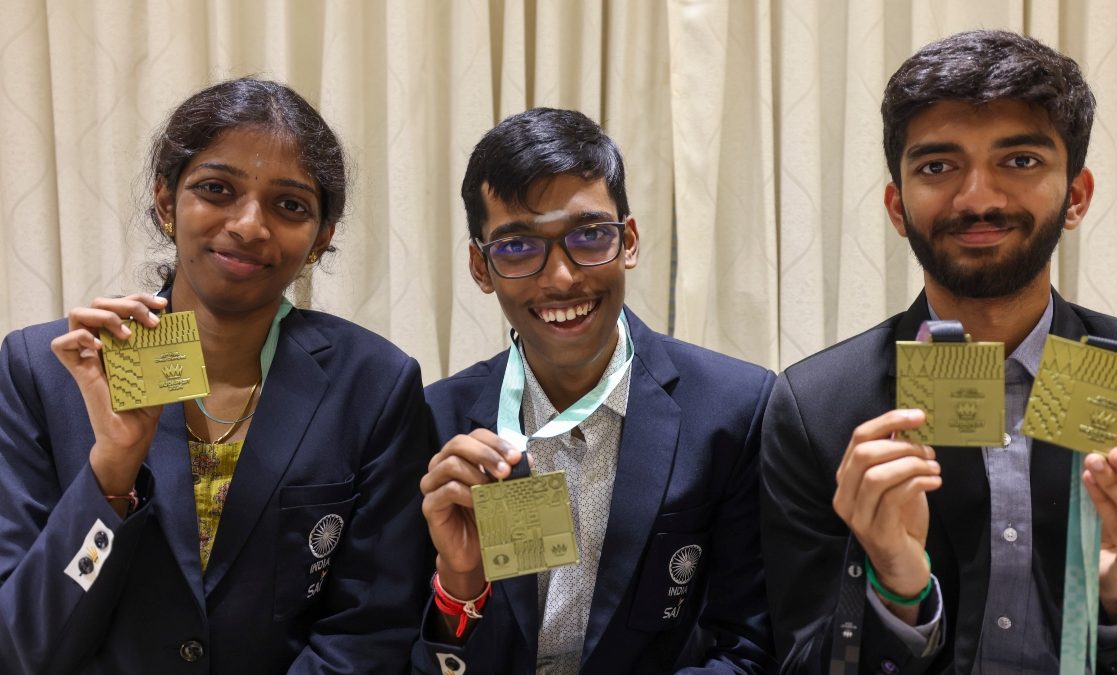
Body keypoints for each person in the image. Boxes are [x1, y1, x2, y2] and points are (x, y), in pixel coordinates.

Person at [761, 30, 1117, 674]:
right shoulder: (816, 408)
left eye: (1019, 160)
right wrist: (897, 590)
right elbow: (797, 658)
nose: (979, 199)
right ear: (897, 206)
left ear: (1076, 196)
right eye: (937, 167)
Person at [0, 78, 431, 673]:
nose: (249, 225)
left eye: (290, 205)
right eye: (216, 189)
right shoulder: (47, 372)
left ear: (321, 238)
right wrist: (112, 472)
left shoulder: (374, 384)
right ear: (165, 201)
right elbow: (21, 644)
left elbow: (368, 632)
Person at [414, 108, 775, 673]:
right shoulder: (433, 423)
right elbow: (397, 653)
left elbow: (748, 650)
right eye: (517, 246)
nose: (560, 277)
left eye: (589, 235)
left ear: (628, 241)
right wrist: (461, 584)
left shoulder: (733, 410)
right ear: (480, 268)